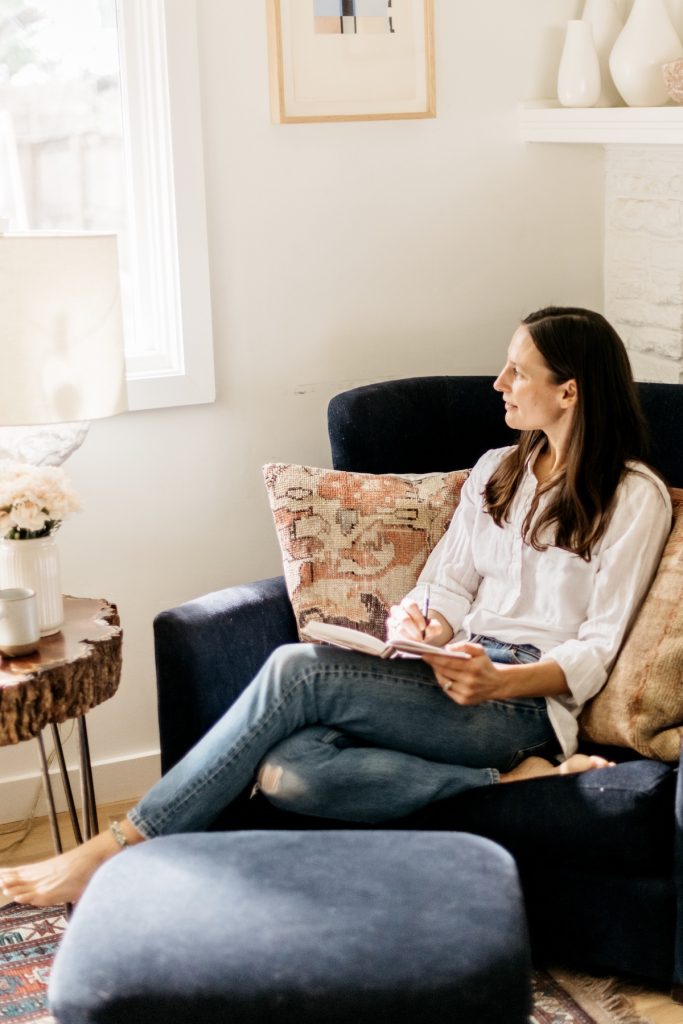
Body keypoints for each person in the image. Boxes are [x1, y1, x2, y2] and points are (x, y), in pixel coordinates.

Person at [0, 306, 672, 909]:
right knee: (289, 773)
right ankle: (503, 781)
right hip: (450, 674)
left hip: (522, 700)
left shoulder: (632, 496)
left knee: (299, 670)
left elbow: (599, 643)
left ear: (569, 391)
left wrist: (504, 681)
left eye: (516, 372)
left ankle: (117, 847)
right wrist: (423, 623)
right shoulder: (496, 470)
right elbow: (446, 585)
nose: (498, 383)